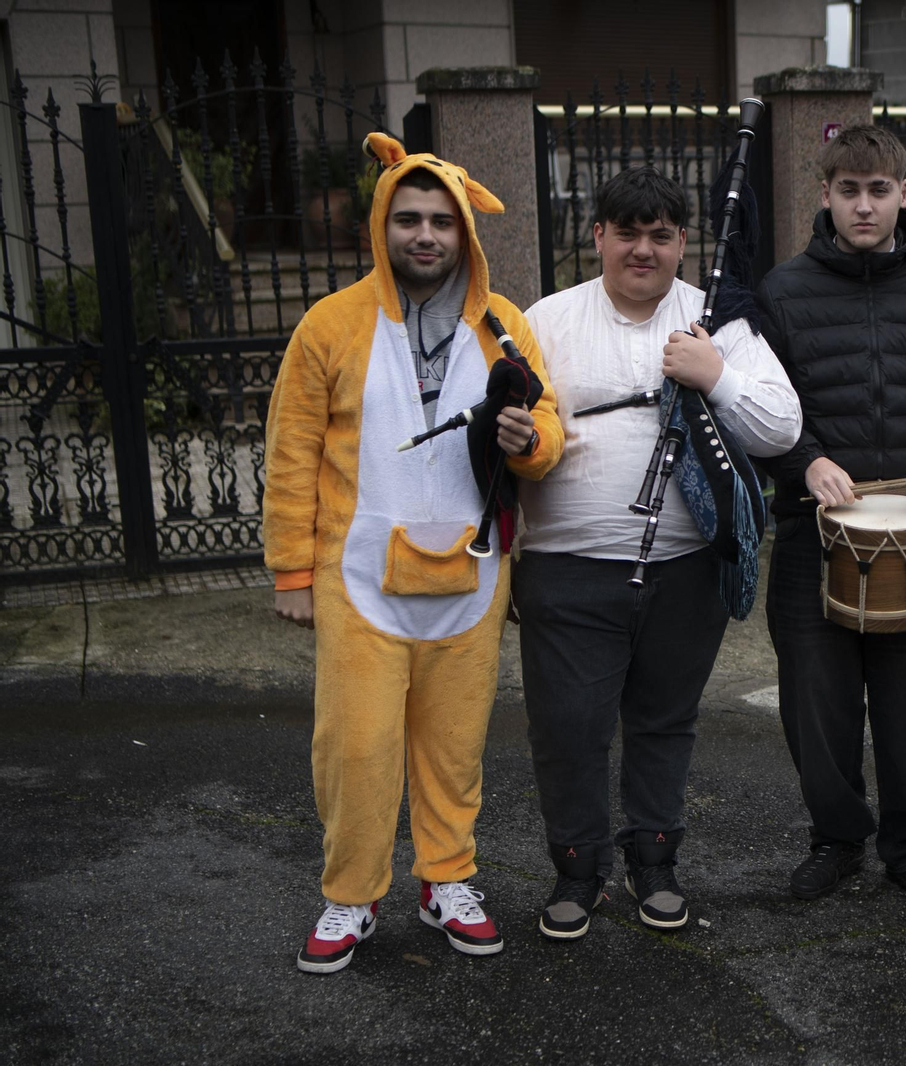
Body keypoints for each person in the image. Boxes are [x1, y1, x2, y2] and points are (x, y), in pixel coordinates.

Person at [265, 133, 563, 974]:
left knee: (453, 749)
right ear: (381, 225)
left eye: (441, 220)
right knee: (356, 748)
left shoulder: (505, 327)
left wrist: (530, 442)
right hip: (357, 577)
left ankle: (447, 880)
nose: (425, 235)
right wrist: (292, 570)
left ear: (464, 229)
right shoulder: (330, 325)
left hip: (472, 575)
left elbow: (548, 428)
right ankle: (351, 895)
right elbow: (290, 452)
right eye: (409, 219)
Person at [515, 166, 800, 940]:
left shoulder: (717, 319)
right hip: (566, 573)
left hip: (686, 573)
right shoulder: (547, 319)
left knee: (665, 723)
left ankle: (655, 863)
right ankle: (578, 869)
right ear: (598, 236)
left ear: (682, 243)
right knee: (568, 729)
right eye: (628, 233)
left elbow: (781, 427)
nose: (644, 250)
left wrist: (718, 376)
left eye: (661, 236)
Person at [757, 125, 906, 920]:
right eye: (848, 190)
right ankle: (837, 837)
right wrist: (806, 461)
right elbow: (756, 407)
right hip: (811, 537)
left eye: (879, 190)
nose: (863, 205)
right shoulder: (781, 292)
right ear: (824, 194)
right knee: (816, 709)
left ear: (904, 195)